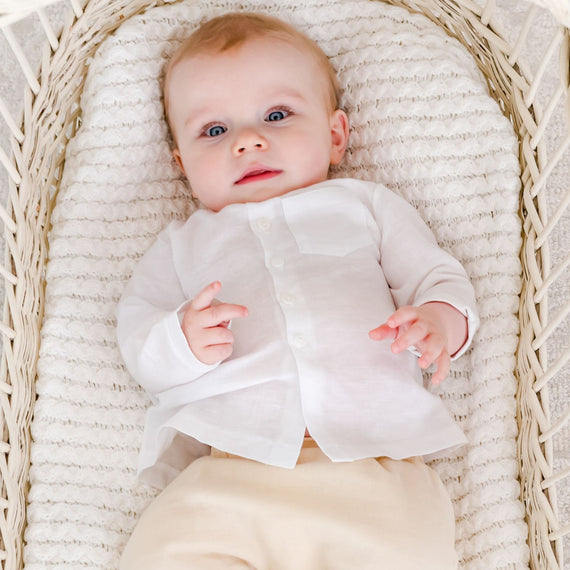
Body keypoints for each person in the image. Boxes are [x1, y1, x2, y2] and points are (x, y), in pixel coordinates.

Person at [117, 12, 479, 570]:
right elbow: (139, 337)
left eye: (277, 115)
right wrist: (181, 341)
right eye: (215, 131)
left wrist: (438, 320)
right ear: (182, 165)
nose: (249, 141)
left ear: (336, 135)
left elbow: (438, 277)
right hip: (234, 469)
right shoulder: (182, 244)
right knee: (165, 551)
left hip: (374, 470)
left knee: (412, 548)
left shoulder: (364, 206)